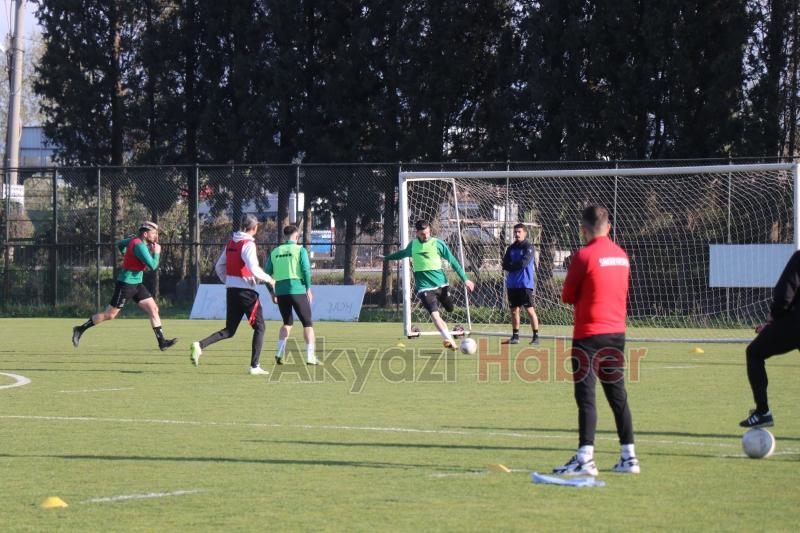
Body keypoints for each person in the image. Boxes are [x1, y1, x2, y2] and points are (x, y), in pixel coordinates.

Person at [553, 205, 639, 476]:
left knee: (586, 397)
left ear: (583, 230)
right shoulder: (622, 256)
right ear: (609, 227)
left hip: (588, 336)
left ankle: (585, 458)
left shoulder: (584, 256)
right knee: (618, 396)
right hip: (616, 334)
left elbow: (567, 296)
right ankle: (629, 457)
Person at [71, 221, 177, 351]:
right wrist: (157, 252)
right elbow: (153, 265)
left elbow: (120, 244)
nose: (155, 236)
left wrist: (127, 255)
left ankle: (162, 342)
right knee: (110, 315)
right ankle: (80, 329)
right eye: (153, 233)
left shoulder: (135, 241)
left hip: (137, 284)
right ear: (145, 234)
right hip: (126, 284)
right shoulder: (139, 246)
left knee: (153, 309)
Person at [190, 215, 275, 375]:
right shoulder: (248, 243)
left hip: (232, 291)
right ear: (254, 227)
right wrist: (269, 279)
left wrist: (229, 281)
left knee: (230, 330)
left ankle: (199, 345)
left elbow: (219, 266)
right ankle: (254, 366)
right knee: (260, 327)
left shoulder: (231, 242)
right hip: (246, 292)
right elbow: (253, 267)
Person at [381, 220, 475, 350]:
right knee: (435, 315)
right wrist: (386, 258)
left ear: (429, 230)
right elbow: (402, 254)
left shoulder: (438, 243)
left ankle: (448, 335)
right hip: (424, 287)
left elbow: (453, 261)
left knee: (450, 308)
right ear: (417, 233)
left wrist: (465, 279)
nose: (425, 236)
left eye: (427, 233)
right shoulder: (413, 245)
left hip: (441, 285)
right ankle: (450, 341)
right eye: (422, 234)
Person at [739, 249, 800, 428]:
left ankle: (763, 412)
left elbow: (785, 290)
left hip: (795, 324)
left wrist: (774, 318)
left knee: (754, 353)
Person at [266, 225, 320, 366]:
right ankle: (310, 357)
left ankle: (279, 353)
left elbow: (266, 274)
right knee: (307, 324)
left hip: (281, 292)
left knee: (287, 323)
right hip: (297, 290)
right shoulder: (300, 250)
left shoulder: (275, 251)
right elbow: (306, 269)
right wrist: (308, 288)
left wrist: (272, 292)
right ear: (296, 237)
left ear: (285, 236)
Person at [501, 223, 540, 345]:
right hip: (512, 284)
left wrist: (511, 266)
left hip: (525, 284)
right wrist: (512, 266)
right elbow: (504, 264)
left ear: (525, 233)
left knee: (530, 310)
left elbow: (523, 263)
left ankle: (536, 337)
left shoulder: (529, 247)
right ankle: (515, 337)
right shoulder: (511, 248)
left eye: (519, 232)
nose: (517, 234)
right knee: (514, 311)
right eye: (515, 232)